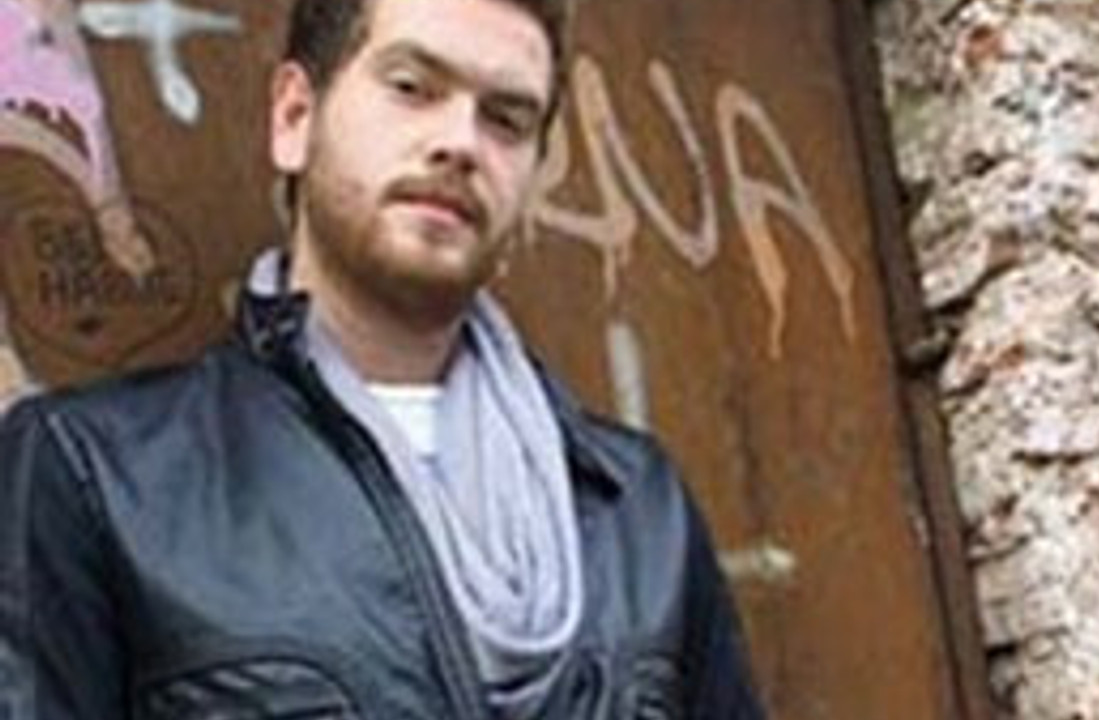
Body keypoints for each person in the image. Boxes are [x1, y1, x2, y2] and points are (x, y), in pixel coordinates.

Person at [0, 0, 765, 717]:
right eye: (412, 87)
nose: (460, 143)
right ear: (294, 117)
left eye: (505, 119)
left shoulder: (640, 510)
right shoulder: (99, 478)